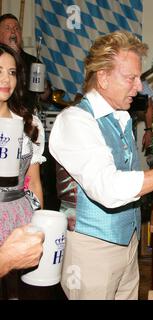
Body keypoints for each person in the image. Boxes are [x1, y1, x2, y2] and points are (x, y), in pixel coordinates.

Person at [49, 31, 153, 300]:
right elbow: (108, 188)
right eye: (130, 78)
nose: (138, 88)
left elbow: (127, 178)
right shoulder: (75, 121)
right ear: (102, 77)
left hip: (128, 243)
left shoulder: (121, 118)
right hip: (92, 250)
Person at [0, 43, 45, 300]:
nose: (6, 79)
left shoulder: (28, 122)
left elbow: (35, 183)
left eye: (12, 72)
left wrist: (38, 228)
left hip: (19, 215)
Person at [0, 13, 52, 113]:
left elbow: (45, 98)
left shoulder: (33, 62)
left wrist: (44, 86)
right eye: (8, 28)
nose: (13, 31)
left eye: (17, 28)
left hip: (27, 117)